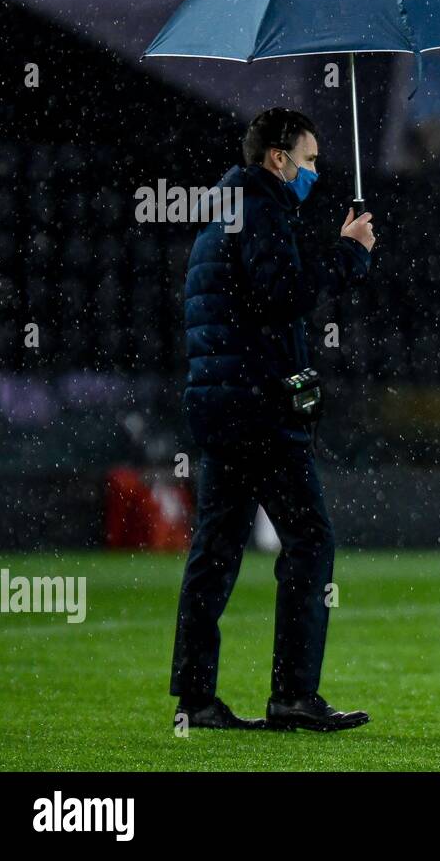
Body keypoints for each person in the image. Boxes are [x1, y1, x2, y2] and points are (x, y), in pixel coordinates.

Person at [169, 108, 376, 731]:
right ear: (278, 159)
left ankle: (196, 699)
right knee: (311, 543)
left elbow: (246, 301)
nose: (314, 172)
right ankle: (293, 694)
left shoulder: (226, 209)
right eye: (309, 161)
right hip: (258, 406)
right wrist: (348, 253)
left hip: (221, 402)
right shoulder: (260, 210)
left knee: (216, 549)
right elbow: (280, 297)